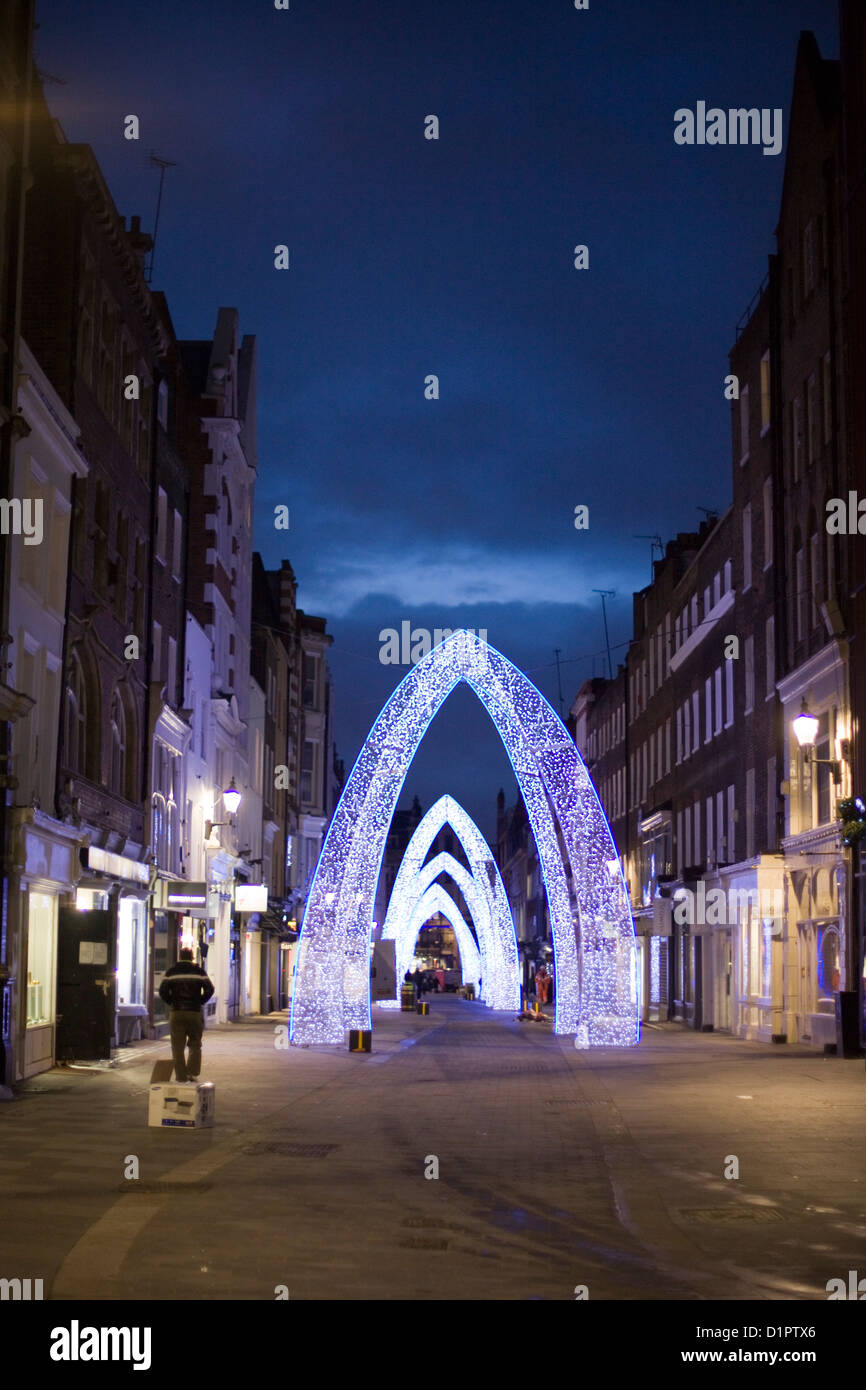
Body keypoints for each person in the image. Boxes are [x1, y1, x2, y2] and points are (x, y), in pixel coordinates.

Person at [158, 947, 215, 1083]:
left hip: (177, 1013)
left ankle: (181, 1077)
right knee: (195, 1044)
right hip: (194, 1012)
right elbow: (210, 989)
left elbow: (162, 991)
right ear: (192, 957)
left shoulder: (171, 972)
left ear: (179, 956)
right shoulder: (199, 971)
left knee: (177, 1046)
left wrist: (172, 1002)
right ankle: (192, 1072)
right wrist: (200, 1001)